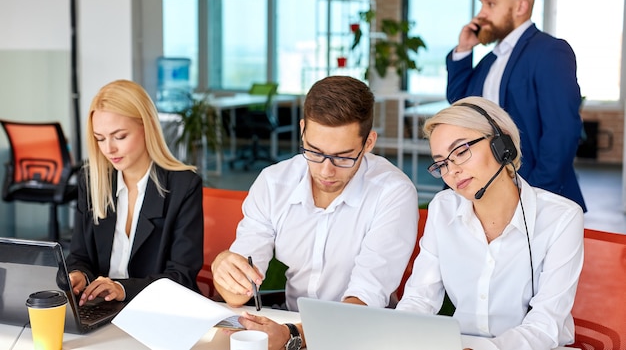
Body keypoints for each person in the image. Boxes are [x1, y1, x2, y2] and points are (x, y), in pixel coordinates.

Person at [211, 75, 418, 350]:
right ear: (302, 130)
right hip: (288, 321)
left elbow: (364, 299)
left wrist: (292, 335)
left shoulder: (393, 192)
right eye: (314, 151)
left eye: (343, 156)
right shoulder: (274, 182)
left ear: (368, 143)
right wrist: (225, 270)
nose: (325, 171)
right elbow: (237, 292)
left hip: (360, 334)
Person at [397, 96, 584, 350]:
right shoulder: (443, 208)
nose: (452, 171)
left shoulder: (561, 218)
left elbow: (545, 325)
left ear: (502, 144)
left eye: (461, 151)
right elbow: (419, 298)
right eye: (441, 163)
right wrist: (398, 336)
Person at [446, 0, 587, 212]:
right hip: (488, 190)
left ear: (520, 7)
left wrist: (537, 194)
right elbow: (460, 104)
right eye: (482, 3)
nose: (481, 14)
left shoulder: (549, 51)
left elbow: (561, 131)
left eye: (490, 4)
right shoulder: (491, 59)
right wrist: (464, 49)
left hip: (535, 192)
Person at [66, 79, 203, 305]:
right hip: (100, 309)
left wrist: (122, 289)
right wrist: (79, 276)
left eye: (119, 136)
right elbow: (79, 257)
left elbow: (182, 276)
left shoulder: (183, 186)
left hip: (159, 310)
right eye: (100, 139)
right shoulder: (92, 181)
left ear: (147, 126)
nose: (109, 149)